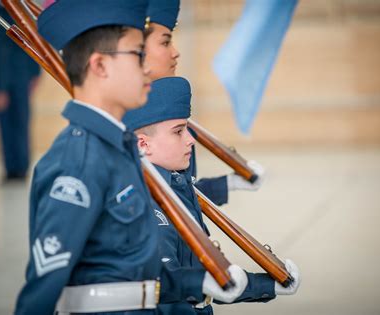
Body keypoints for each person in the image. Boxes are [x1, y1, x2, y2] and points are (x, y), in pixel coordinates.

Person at [14, 1, 247, 314]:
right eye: (138, 54)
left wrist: (200, 282)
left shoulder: (119, 149)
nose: (147, 66)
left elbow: (142, 272)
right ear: (99, 66)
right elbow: (41, 293)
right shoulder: (79, 161)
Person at [123, 76, 301, 315]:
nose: (190, 140)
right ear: (143, 144)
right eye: (179, 131)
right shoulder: (148, 205)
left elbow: (205, 277)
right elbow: (169, 293)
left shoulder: (175, 186)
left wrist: (268, 285)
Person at [143, 0, 265, 207]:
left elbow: (179, 193)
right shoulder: (128, 122)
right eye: (165, 42)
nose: (175, 52)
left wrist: (227, 184)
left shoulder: (165, 110)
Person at [0, 2, 41, 180]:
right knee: (4, 123)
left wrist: (35, 72)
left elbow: (33, 41)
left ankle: (22, 166)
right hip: (1, 77)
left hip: (21, 74)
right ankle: (10, 167)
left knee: (21, 120)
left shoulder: (22, 10)